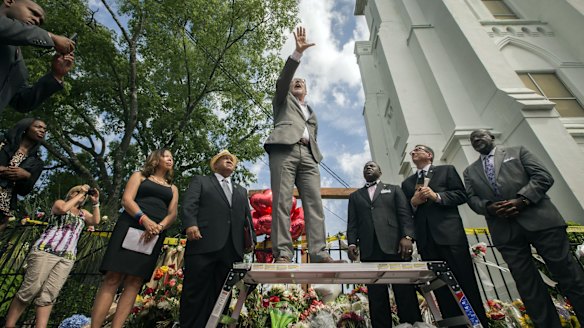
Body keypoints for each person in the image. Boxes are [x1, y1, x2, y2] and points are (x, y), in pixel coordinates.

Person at [463, 129, 584, 327]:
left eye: (481, 136)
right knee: (528, 286)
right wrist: (489, 208)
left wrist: (523, 200)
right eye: (472, 139)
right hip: (505, 232)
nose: (476, 139)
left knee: (569, 275)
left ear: (492, 137)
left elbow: (543, 176)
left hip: (542, 223)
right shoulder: (470, 171)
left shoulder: (518, 152)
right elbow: (472, 198)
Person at [264, 26, 340, 264]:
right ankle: (284, 253)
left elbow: (312, 132)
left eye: (301, 82)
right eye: (294, 82)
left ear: (306, 90)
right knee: (282, 201)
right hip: (284, 150)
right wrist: (297, 53)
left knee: (314, 204)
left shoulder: (312, 112)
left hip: (309, 155)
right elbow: (284, 78)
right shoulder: (282, 100)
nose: (297, 82)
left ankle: (318, 252)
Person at [401, 144, 487, 327]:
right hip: (426, 241)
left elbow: (461, 195)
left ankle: (478, 323)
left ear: (429, 155)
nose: (413, 152)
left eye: (418, 149)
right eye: (412, 151)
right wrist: (413, 203)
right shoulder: (407, 183)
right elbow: (404, 211)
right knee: (440, 287)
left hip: (450, 236)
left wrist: (436, 196)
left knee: (464, 281)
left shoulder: (446, 170)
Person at [90, 149, 178, 328]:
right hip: (131, 224)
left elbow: (173, 213)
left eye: (172, 158)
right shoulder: (139, 176)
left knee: (135, 281)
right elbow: (127, 200)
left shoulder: (173, 188)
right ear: (155, 158)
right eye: (166, 156)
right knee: (113, 277)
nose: (170, 159)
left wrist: (158, 227)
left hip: (154, 234)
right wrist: (145, 220)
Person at [4, 184, 101, 328]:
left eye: (83, 194)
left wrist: (95, 202)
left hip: (66, 257)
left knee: (49, 294)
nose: (81, 195)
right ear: (71, 194)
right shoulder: (60, 203)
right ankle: (9, 325)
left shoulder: (83, 213)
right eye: (77, 192)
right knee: (30, 289)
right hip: (46, 250)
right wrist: (82, 192)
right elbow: (62, 209)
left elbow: (95, 221)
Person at [179, 149, 255, 328]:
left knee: (223, 294)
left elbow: (247, 218)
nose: (229, 160)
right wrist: (190, 224)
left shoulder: (241, 190)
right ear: (215, 164)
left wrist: (250, 240)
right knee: (195, 291)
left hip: (231, 249)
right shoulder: (201, 181)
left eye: (232, 159)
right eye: (224, 158)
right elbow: (189, 204)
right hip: (202, 243)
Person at [347, 161, 422, 327]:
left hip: (396, 247)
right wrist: (352, 244)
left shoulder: (394, 189)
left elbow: (404, 214)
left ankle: (411, 324)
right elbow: (352, 224)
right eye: (365, 166)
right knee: (376, 296)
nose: (368, 167)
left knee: (405, 292)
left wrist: (408, 237)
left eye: (372, 165)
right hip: (370, 250)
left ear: (380, 172)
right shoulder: (355, 196)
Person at [0, 0, 75, 115]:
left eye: (40, 21)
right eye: (33, 13)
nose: (37, 20)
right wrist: (51, 37)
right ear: (9, 1)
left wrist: (56, 75)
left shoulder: (19, 65)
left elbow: (22, 102)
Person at [0, 118, 46, 232]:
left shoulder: (37, 162)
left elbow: (24, 191)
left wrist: (26, 176)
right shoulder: (3, 142)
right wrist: (3, 170)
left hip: (4, 205)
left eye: (44, 129)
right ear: (26, 128)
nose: (42, 131)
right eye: (38, 127)